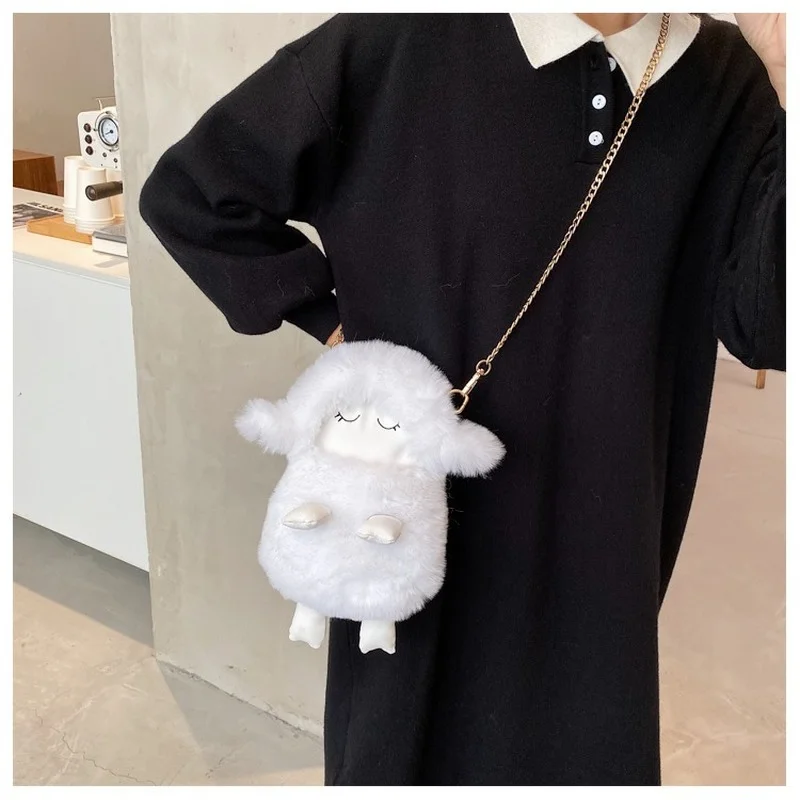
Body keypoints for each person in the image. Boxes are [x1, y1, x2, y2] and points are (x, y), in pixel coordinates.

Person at [138, 13, 786, 786]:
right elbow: (193, 194)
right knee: (399, 748)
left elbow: (769, 324)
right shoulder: (397, 41)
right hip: (408, 529)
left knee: (582, 747)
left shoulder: (730, 81)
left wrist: (792, 79)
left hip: (603, 552)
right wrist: (332, 323)